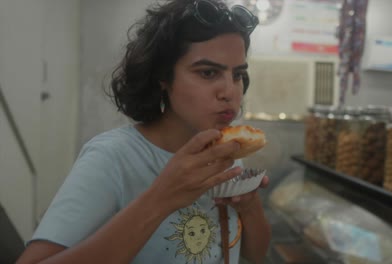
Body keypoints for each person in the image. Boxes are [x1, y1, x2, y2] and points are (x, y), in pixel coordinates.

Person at [17, 0, 271, 263]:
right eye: (208, 73)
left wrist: (249, 207)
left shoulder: (227, 154)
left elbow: (254, 254)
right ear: (163, 76)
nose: (230, 92)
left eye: (238, 75)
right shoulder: (113, 158)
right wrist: (161, 198)